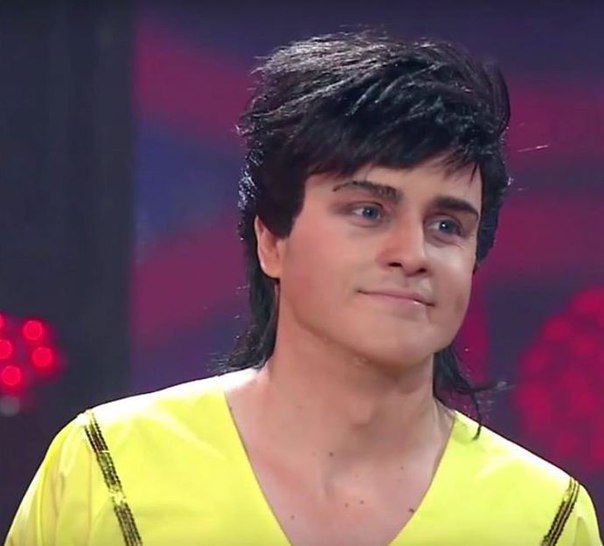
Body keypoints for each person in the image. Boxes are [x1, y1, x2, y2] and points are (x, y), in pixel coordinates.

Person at [5, 31, 601, 546]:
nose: (413, 254)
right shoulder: (110, 470)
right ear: (271, 240)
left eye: (447, 226)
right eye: (369, 212)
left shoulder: (544, 518)